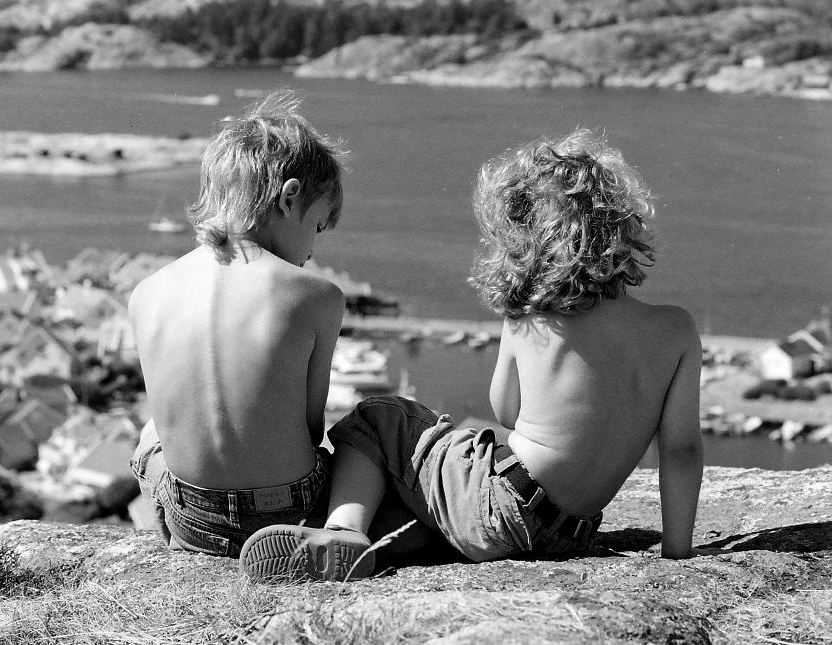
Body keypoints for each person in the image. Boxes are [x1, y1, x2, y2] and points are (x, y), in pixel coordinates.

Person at [240, 129, 704, 582]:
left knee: (379, 416)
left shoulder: (532, 315)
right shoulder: (676, 330)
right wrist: (677, 553)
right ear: (621, 228)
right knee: (417, 512)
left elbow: (507, 410)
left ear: (523, 238)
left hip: (505, 507)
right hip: (569, 532)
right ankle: (380, 541)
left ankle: (342, 531)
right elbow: (681, 450)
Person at [129, 90, 346, 556]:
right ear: (290, 197)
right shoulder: (317, 295)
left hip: (194, 518)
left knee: (150, 435)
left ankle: (174, 525)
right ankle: (346, 532)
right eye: (317, 226)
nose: (312, 248)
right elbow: (312, 429)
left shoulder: (146, 292)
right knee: (373, 427)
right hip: (290, 513)